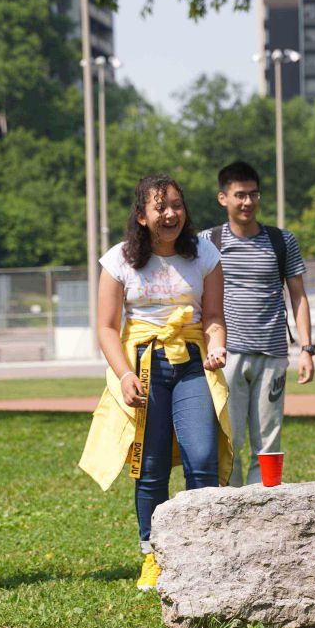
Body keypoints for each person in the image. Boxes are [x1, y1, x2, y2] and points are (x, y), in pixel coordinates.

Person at [79, 174, 231, 591]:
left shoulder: (204, 254)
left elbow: (213, 317)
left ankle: (203, 553)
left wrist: (217, 345)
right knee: (150, 466)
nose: (170, 214)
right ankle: (154, 555)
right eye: (160, 207)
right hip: (144, 365)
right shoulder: (119, 260)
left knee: (203, 458)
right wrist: (125, 374)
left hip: (192, 363)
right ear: (142, 216)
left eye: (177, 205)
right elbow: (106, 327)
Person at [202, 161, 313, 486]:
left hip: (273, 354)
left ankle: (265, 505)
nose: (248, 202)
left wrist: (307, 349)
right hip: (226, 356)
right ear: (223, 198)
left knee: (268, 442)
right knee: (230, 439)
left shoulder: (282, 241)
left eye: (253, 194)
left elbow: (299, 297)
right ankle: (230, 505)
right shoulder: (207, 241)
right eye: (240, 195)